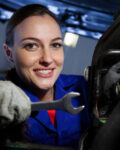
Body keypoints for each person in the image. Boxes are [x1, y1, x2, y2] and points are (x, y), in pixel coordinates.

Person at [0, 4, 90, 149]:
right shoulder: (3, 99)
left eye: (55, 45)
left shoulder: (84, 87)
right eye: (31, 46)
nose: (47, 59)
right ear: (9, 53)